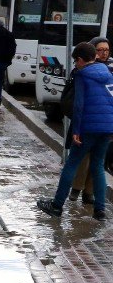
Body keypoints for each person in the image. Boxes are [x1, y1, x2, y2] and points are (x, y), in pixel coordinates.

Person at [37, 41, 113, 221]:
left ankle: (56, 206)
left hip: (88, 127)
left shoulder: (82, 75)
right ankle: (100, 210)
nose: (76, 65)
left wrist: (76, 131)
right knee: (98, 166)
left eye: (76, 61)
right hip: (107, 128)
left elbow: (79, 105)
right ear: (94, 56)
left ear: (80, 60)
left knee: (72, 164)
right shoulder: (107, 73)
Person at [69, 36, 112, 204]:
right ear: (93, 51)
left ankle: (89, 193)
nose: (104, 53)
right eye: (100, 50)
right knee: (83, 158)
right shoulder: (82, 69)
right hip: (86, 121)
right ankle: (76, 189)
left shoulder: (110, 69)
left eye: (107, 50)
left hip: (105, 123)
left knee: (99, 161)